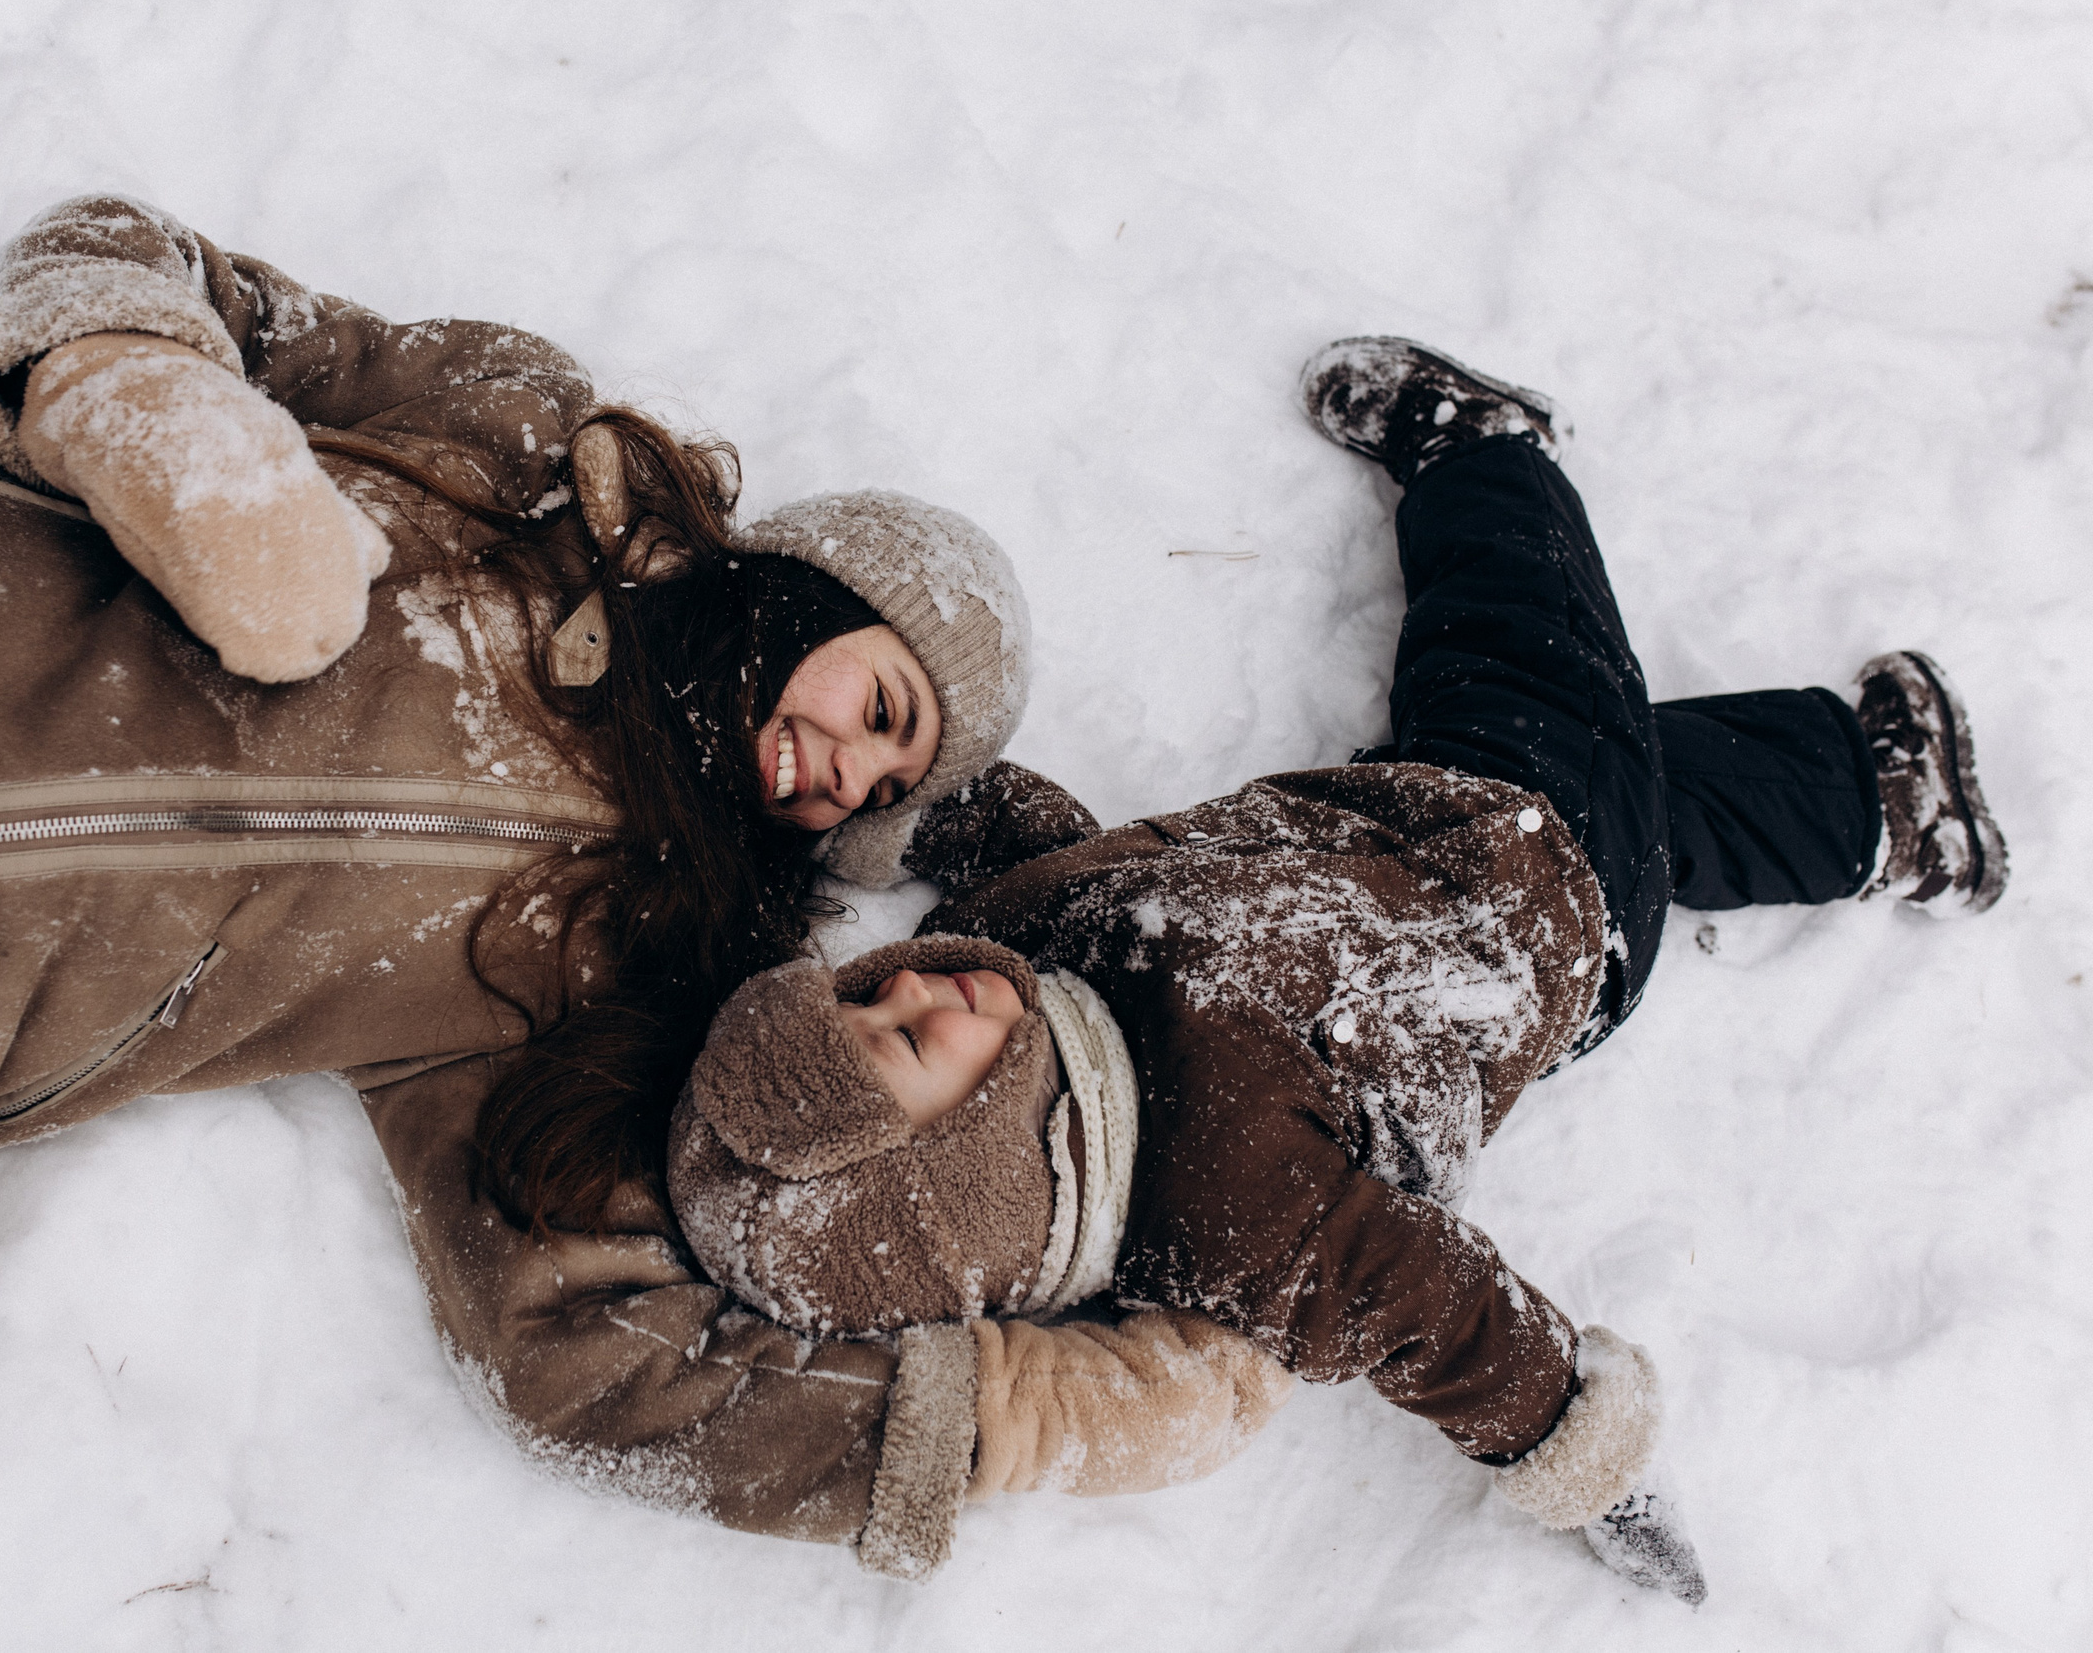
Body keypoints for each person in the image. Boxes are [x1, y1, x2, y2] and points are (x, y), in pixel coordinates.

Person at [0, 194, 1262, 1579]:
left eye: (881, 792)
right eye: (876, 708)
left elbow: (594, 1363)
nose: (840, 775)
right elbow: (133, 254)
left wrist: (1023, 1419)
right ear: (819, 589)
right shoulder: (527, 459)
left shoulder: (614, 971)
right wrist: (151, 413)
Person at [665, 337, 2009, 1600]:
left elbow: (1052, 847)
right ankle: (1485, 451)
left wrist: (888, 821)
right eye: (908, 1042)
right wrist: (1578, 1446)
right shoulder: (1227, 1200)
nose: (915, 988)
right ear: (964, 1175)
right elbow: (1431, 1304)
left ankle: (1891, 806)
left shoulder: (1017, 960)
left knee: (1652, 783)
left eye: (866, 992)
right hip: (1537, 902)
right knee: (1518, 644)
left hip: (1392, 831)